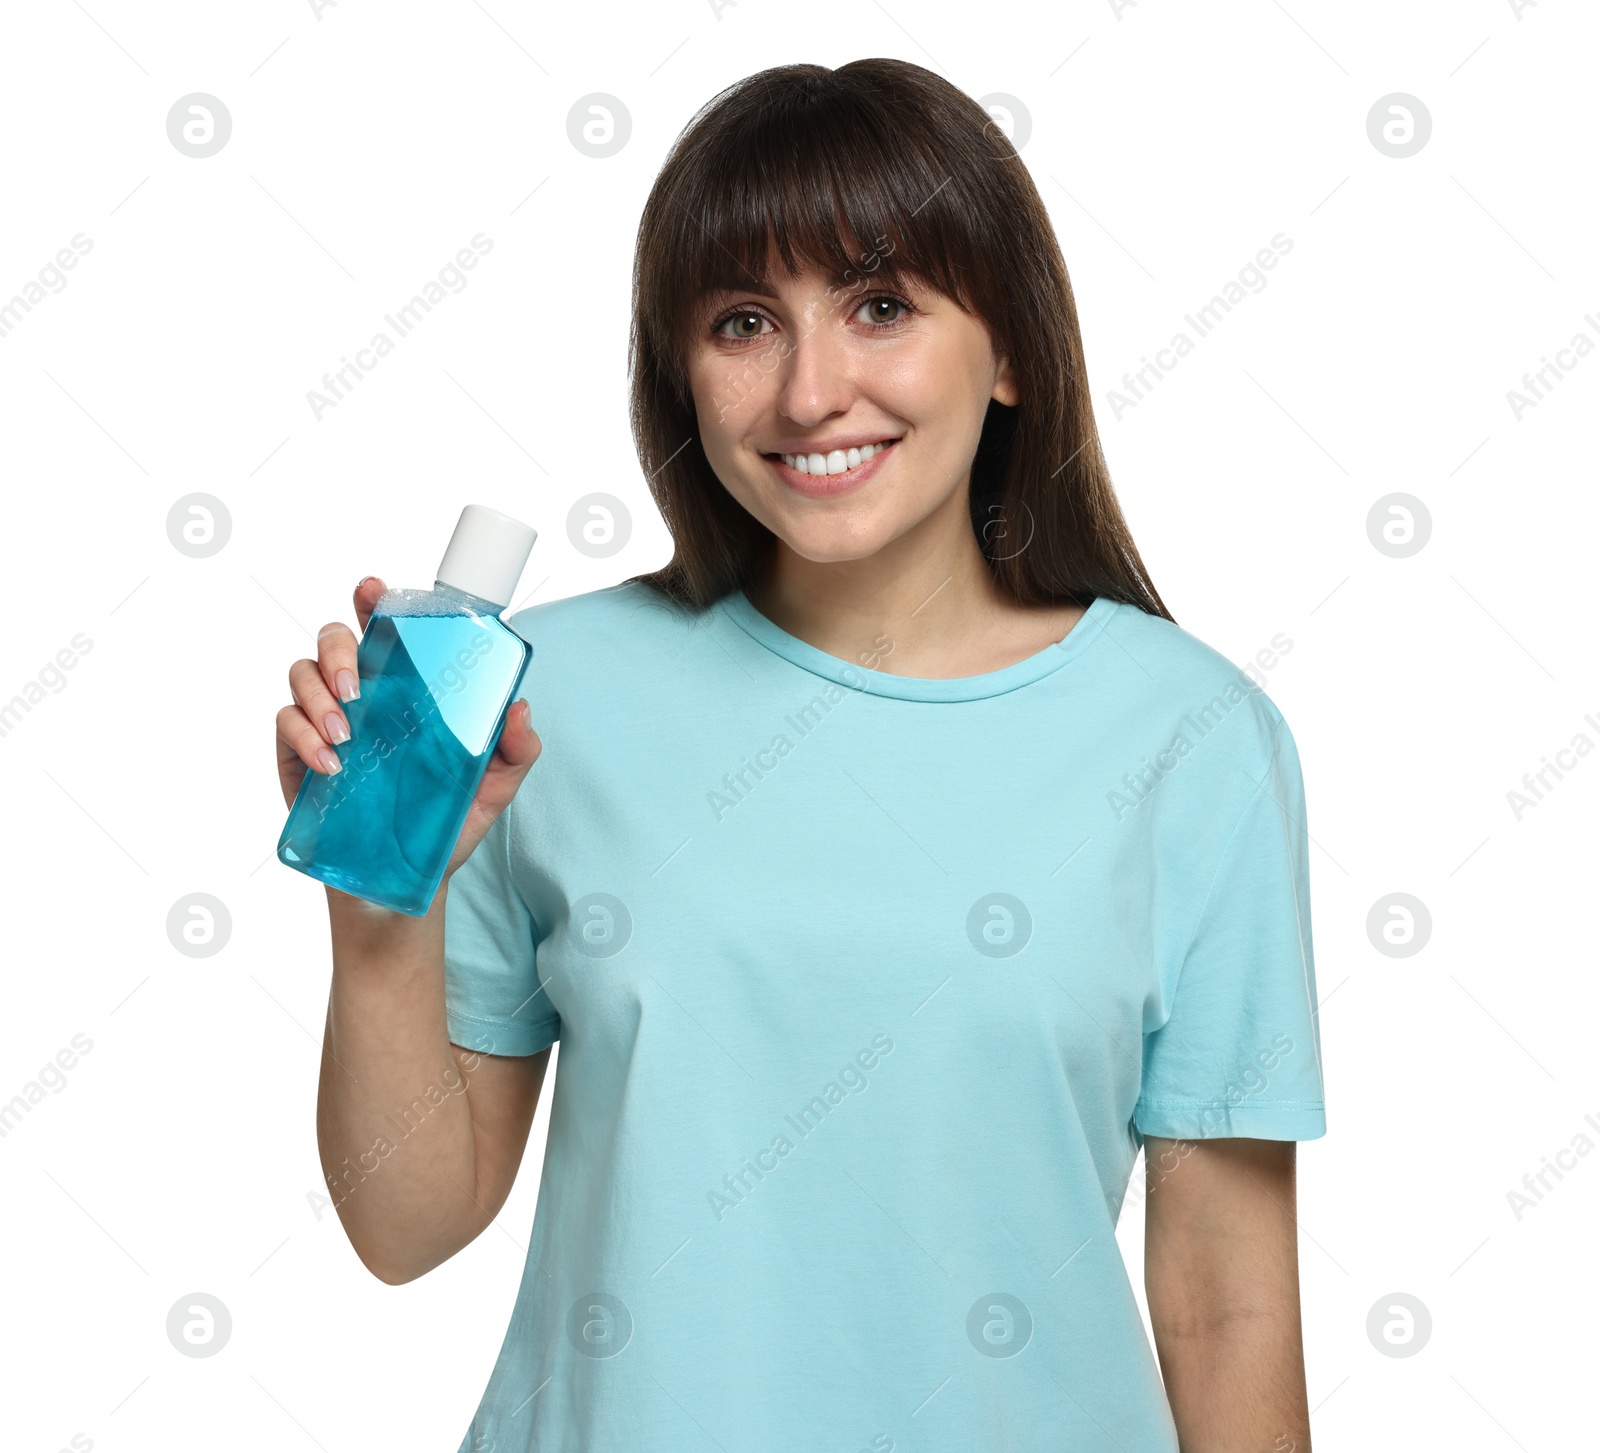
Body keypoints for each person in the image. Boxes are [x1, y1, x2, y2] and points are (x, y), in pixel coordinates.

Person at [275, 58, 1326, 1453]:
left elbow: (1225, 1302)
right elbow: (407, 1228)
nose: (810, 389)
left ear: (1010, 349)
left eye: (881, 305)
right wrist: (378, 928)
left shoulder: (1195, 740)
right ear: (683, 375)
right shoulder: (538, 703)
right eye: (744, 321)